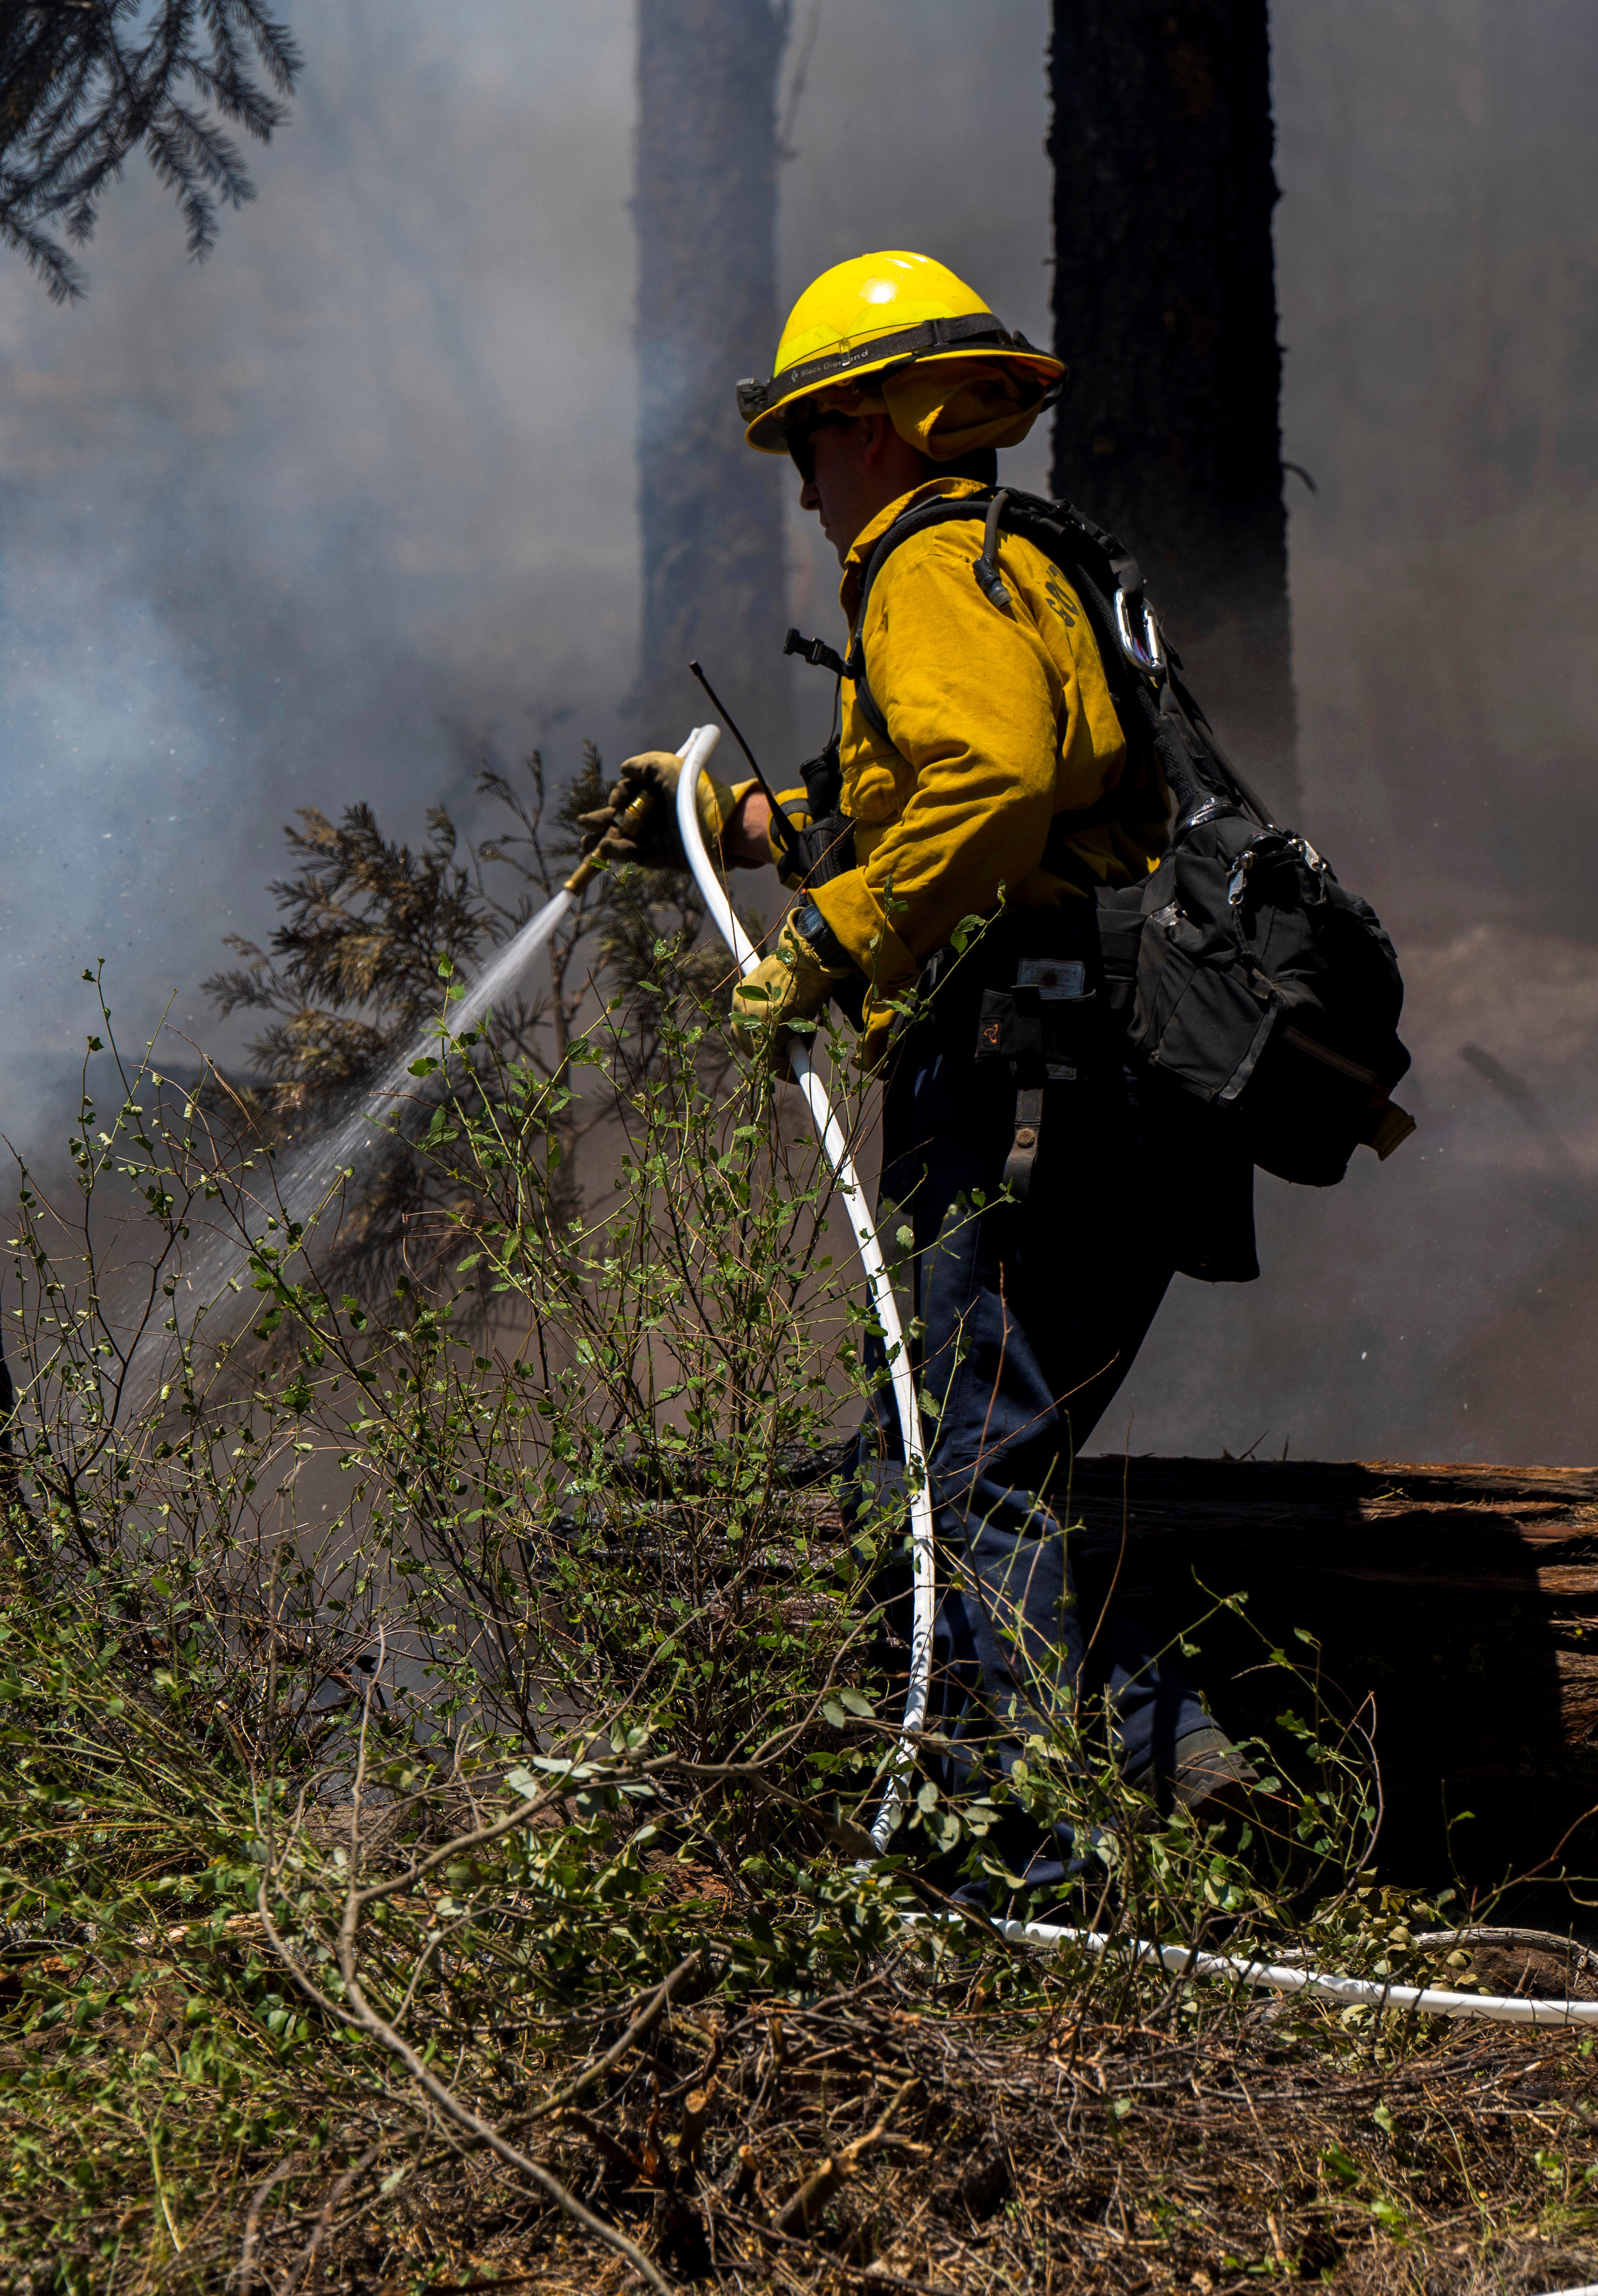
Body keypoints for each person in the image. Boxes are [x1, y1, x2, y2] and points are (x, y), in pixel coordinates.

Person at [586, 251, 1264, 1892]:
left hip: (1035, 1076)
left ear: (883, 429)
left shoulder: (920, 567)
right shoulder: (1016, 561)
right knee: (943, 1461)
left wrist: (825, 949)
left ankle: (1041, 1867)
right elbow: (981, 806)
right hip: (1113, 1067)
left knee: (967, 1467)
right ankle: (1149, 1760)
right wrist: (753, 836)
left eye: (813, 446)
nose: (808, 489)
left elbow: (997, 784)